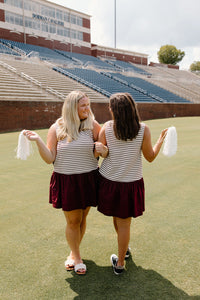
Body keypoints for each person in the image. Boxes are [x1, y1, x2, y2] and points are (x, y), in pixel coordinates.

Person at [23, 91, 101, 275]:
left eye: (88, 105)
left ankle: (73, 254)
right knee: (73, 221)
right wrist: (38, 141)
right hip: (67, 180)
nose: (87, 109)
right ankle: (77, 258)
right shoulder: (56, 128)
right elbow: (50, 158)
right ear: (72, 107)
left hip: (89, 178)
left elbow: (104, 147)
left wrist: (103, 149)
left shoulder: (93, 125)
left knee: (82, 219)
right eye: (83, 105)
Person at [95, 92, 168, 275]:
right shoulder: (143, 129)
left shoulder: (107, 128)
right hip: (129, 183)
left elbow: (100, 153)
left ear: (116, 110)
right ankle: (122, 255)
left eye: (110, 106)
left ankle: (120, 262)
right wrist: (159, 142)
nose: (109, 108)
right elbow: (150, 157)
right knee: (123, 222)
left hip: (109, 181)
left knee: (119, 220)